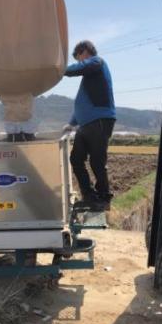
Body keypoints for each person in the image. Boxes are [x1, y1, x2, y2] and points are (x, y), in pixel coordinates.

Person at [63, 40, 116, 211]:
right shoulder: (89, 77)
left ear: (85, 51)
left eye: (79, 58)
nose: (79, 62)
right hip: (85, 125)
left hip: (99, 121)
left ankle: (104, 198)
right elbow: (83, 101)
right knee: (76, 159)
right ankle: (89, 197)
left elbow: (82, 67)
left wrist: (59, 69)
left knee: (97, 161)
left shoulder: (97, 62)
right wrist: (71, 123)